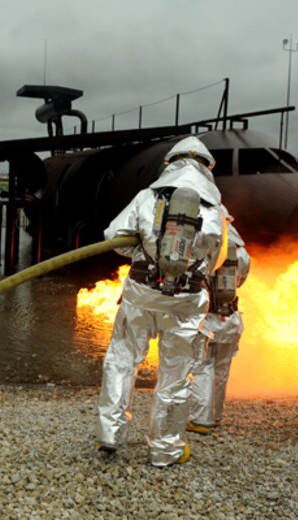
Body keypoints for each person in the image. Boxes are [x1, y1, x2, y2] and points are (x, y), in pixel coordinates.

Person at [96, 135, 228, 467]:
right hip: (186, 299)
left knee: (122, 361)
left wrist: (144, 250)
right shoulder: (215, 207)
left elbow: (113, 238)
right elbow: (217, 257)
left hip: (141, 291)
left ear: (168, 164)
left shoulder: (146, 196)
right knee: (175, 375)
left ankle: (110, 434)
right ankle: (165, 450)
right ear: (207, 169)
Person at [187, 221, 250, 434]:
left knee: (202, 367)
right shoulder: (241, 253)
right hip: (230, 320)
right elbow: (239, 282)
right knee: (221, 370)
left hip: (205, 321)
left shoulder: (202, 247)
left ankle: (200, 419)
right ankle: (216, 417)